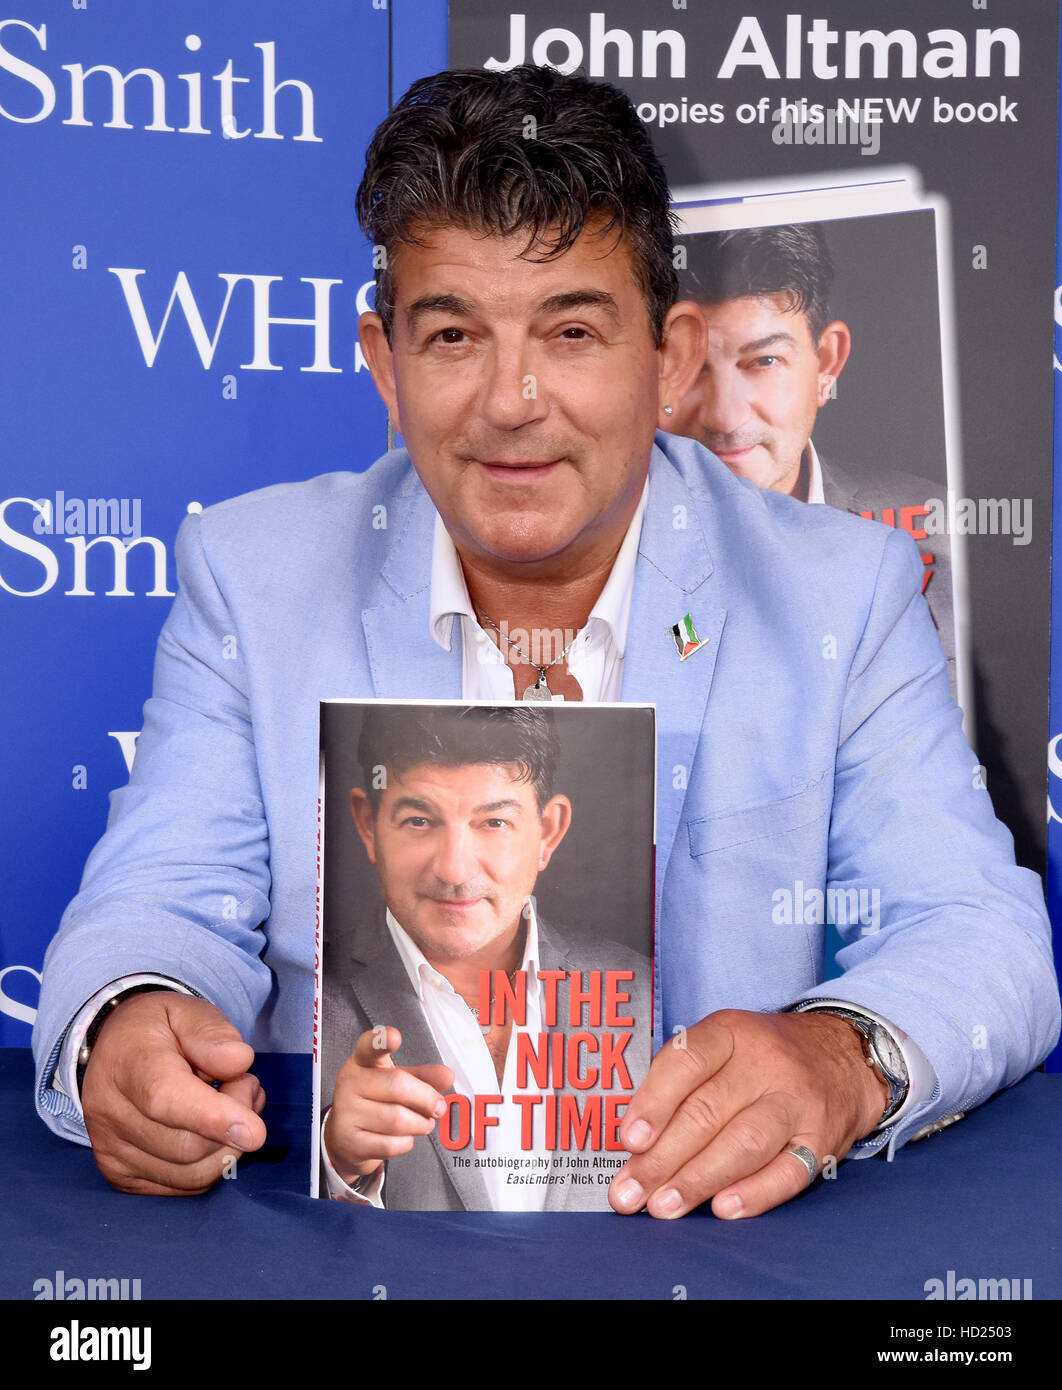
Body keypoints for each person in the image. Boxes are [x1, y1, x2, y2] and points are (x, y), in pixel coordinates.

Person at [32, 65, 1058, 1221]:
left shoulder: (845, 590)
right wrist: (130, 1017)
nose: (512, 400)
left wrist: (837, 1058)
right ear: (384, 361)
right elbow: (154, 901)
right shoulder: (252, 577)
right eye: (454, 334)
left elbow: (983, 935)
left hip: (714, 1256)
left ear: (668, 360)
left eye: (571, 331)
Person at [319, 703, 651, 1211]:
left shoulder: (641, 996)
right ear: (367, 825)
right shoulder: (308, 1006)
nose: (454, 869)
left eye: (493, 821)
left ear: (548, 832)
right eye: (419, 820)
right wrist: (338, 1163)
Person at [666, 223, 955, 676]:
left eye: (764, 361)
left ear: (827, 363)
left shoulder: (948, 537)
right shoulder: (591, 561)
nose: (724, 416)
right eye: (687, 366)